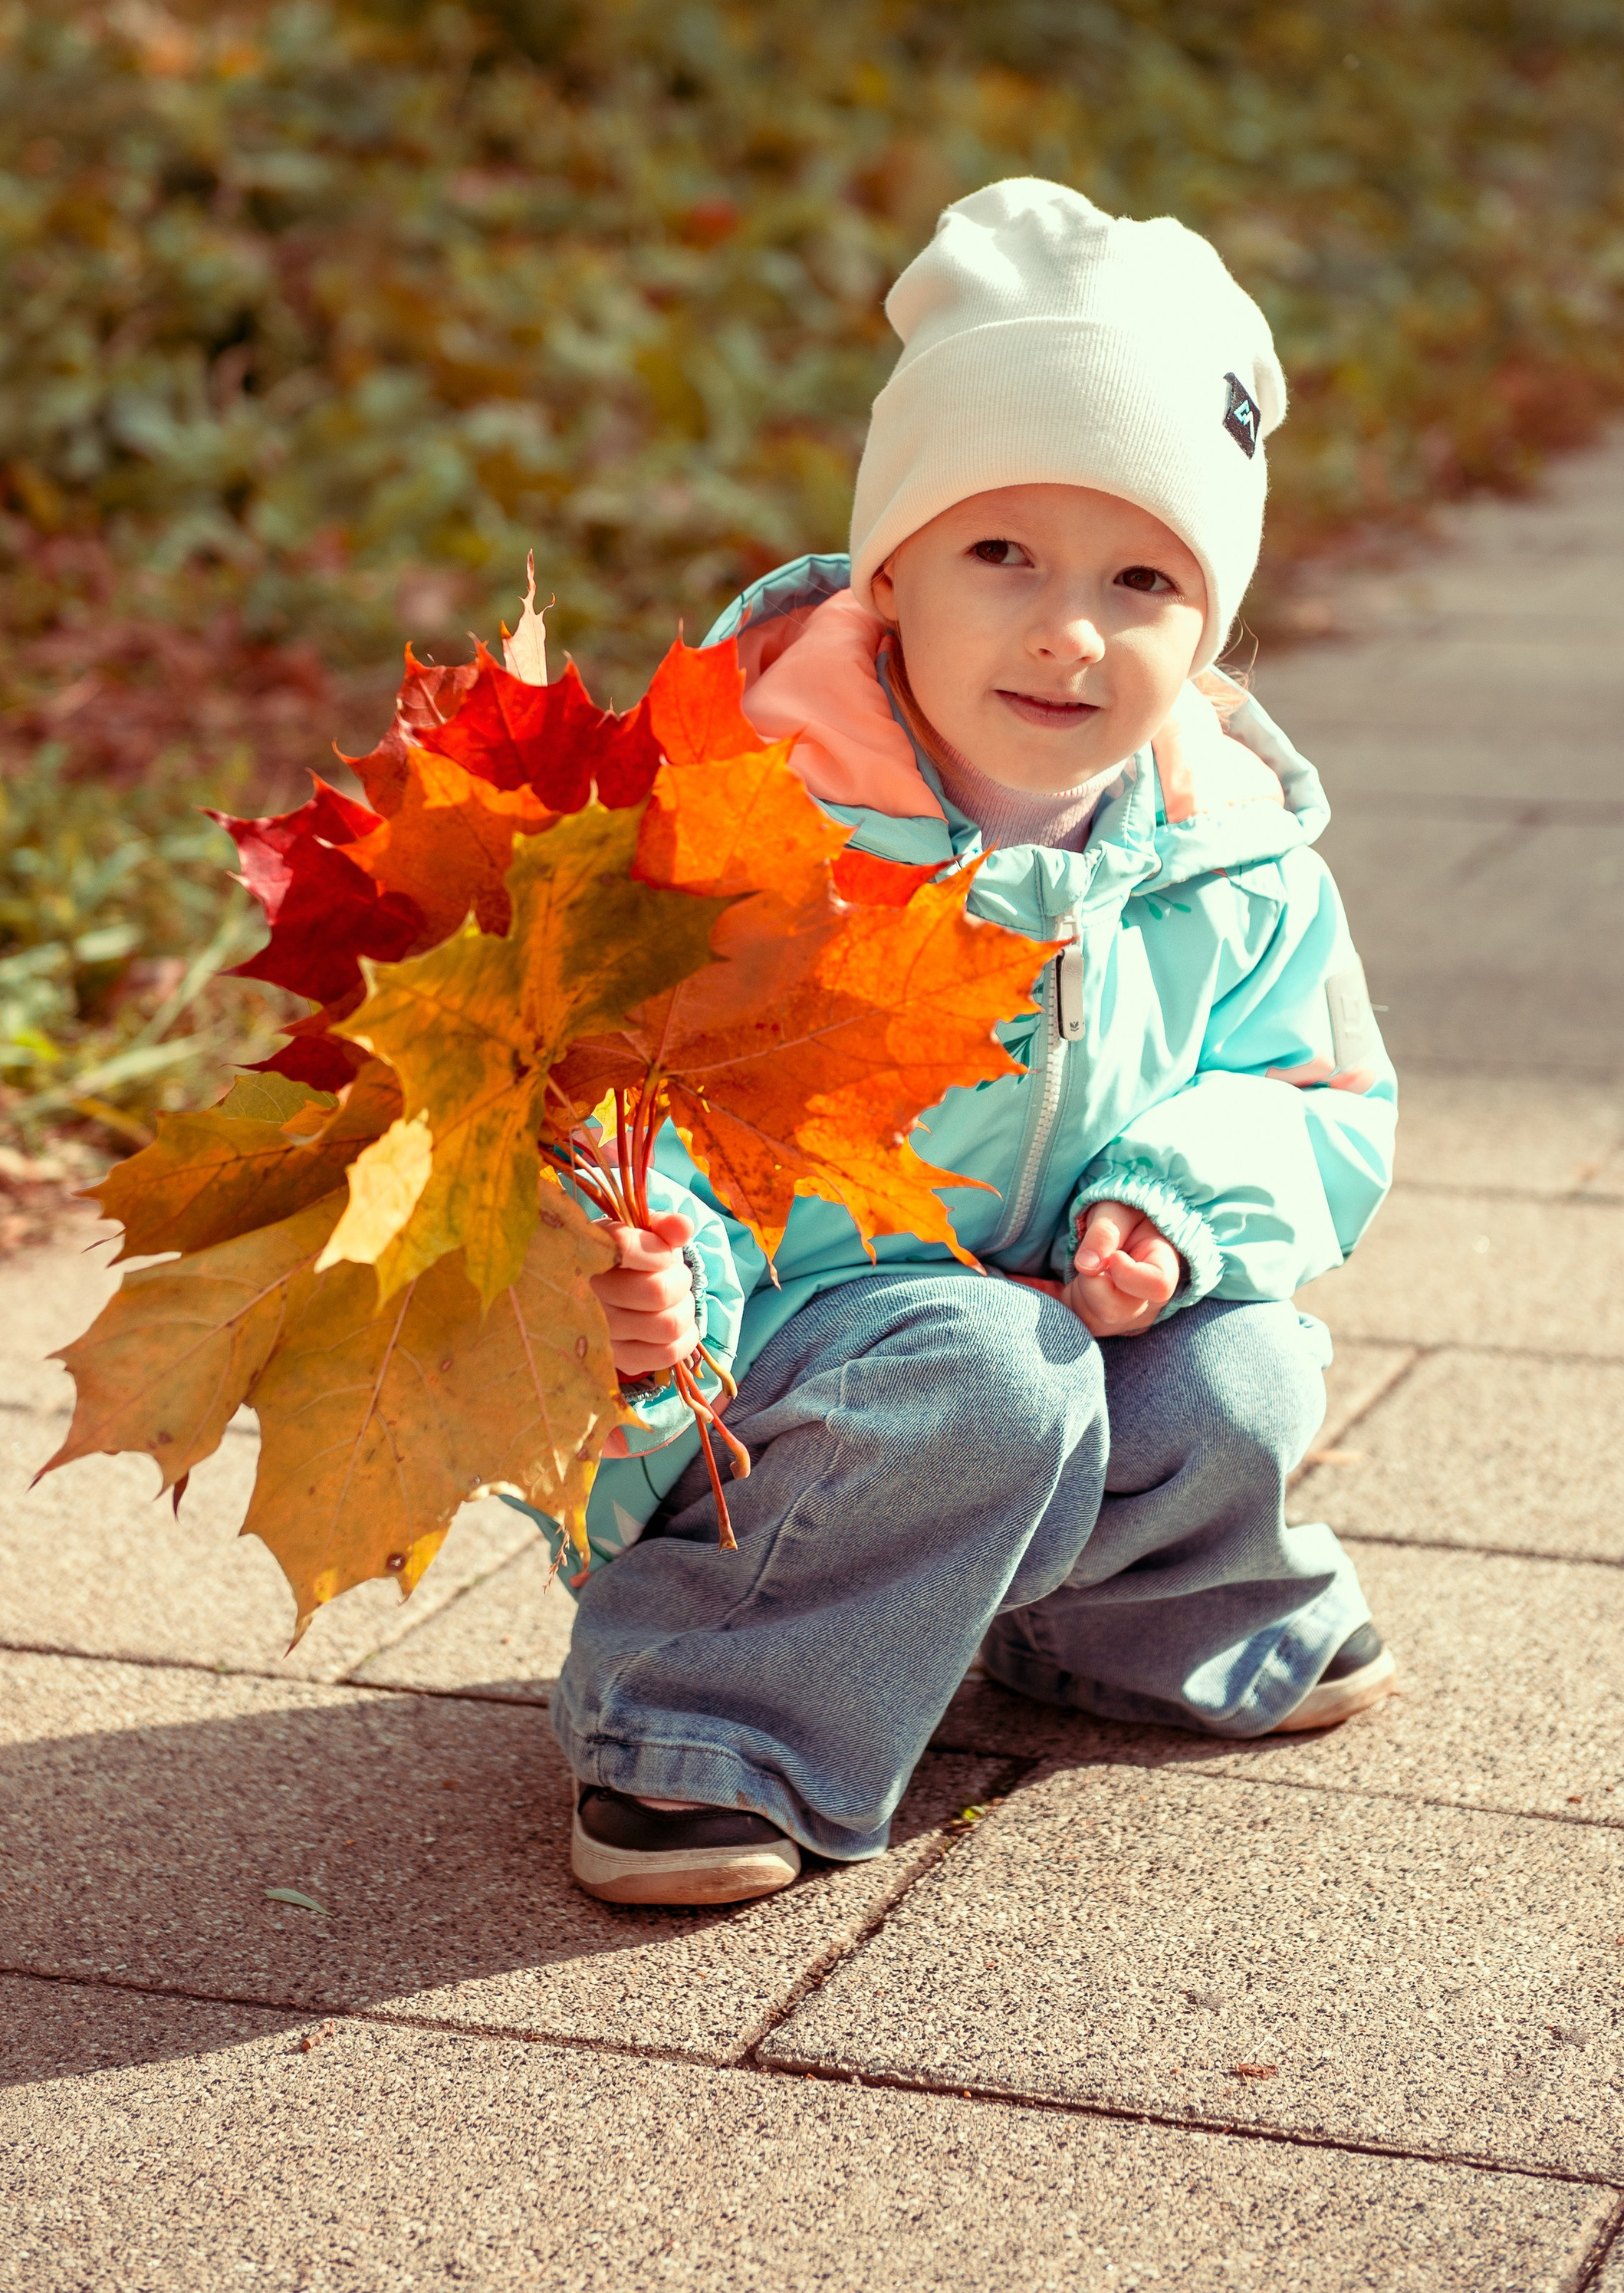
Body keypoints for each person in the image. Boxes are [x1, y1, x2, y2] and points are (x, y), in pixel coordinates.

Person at [557, 176, 1399, 1908]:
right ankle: (693, 1709)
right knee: (983, 1373)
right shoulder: (755, 829)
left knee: (1236, 1371)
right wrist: (652, 1295)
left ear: (1209, 621)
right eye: (998, 550)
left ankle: (1111, 1612)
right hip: (781, 1376)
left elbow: (1316, 1099)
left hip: (1060, 1330)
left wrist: (1172, 1200)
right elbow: (637, 1116)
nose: (1064, 627)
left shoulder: (1226, 854)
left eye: (1140, 575)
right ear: (890, 573)